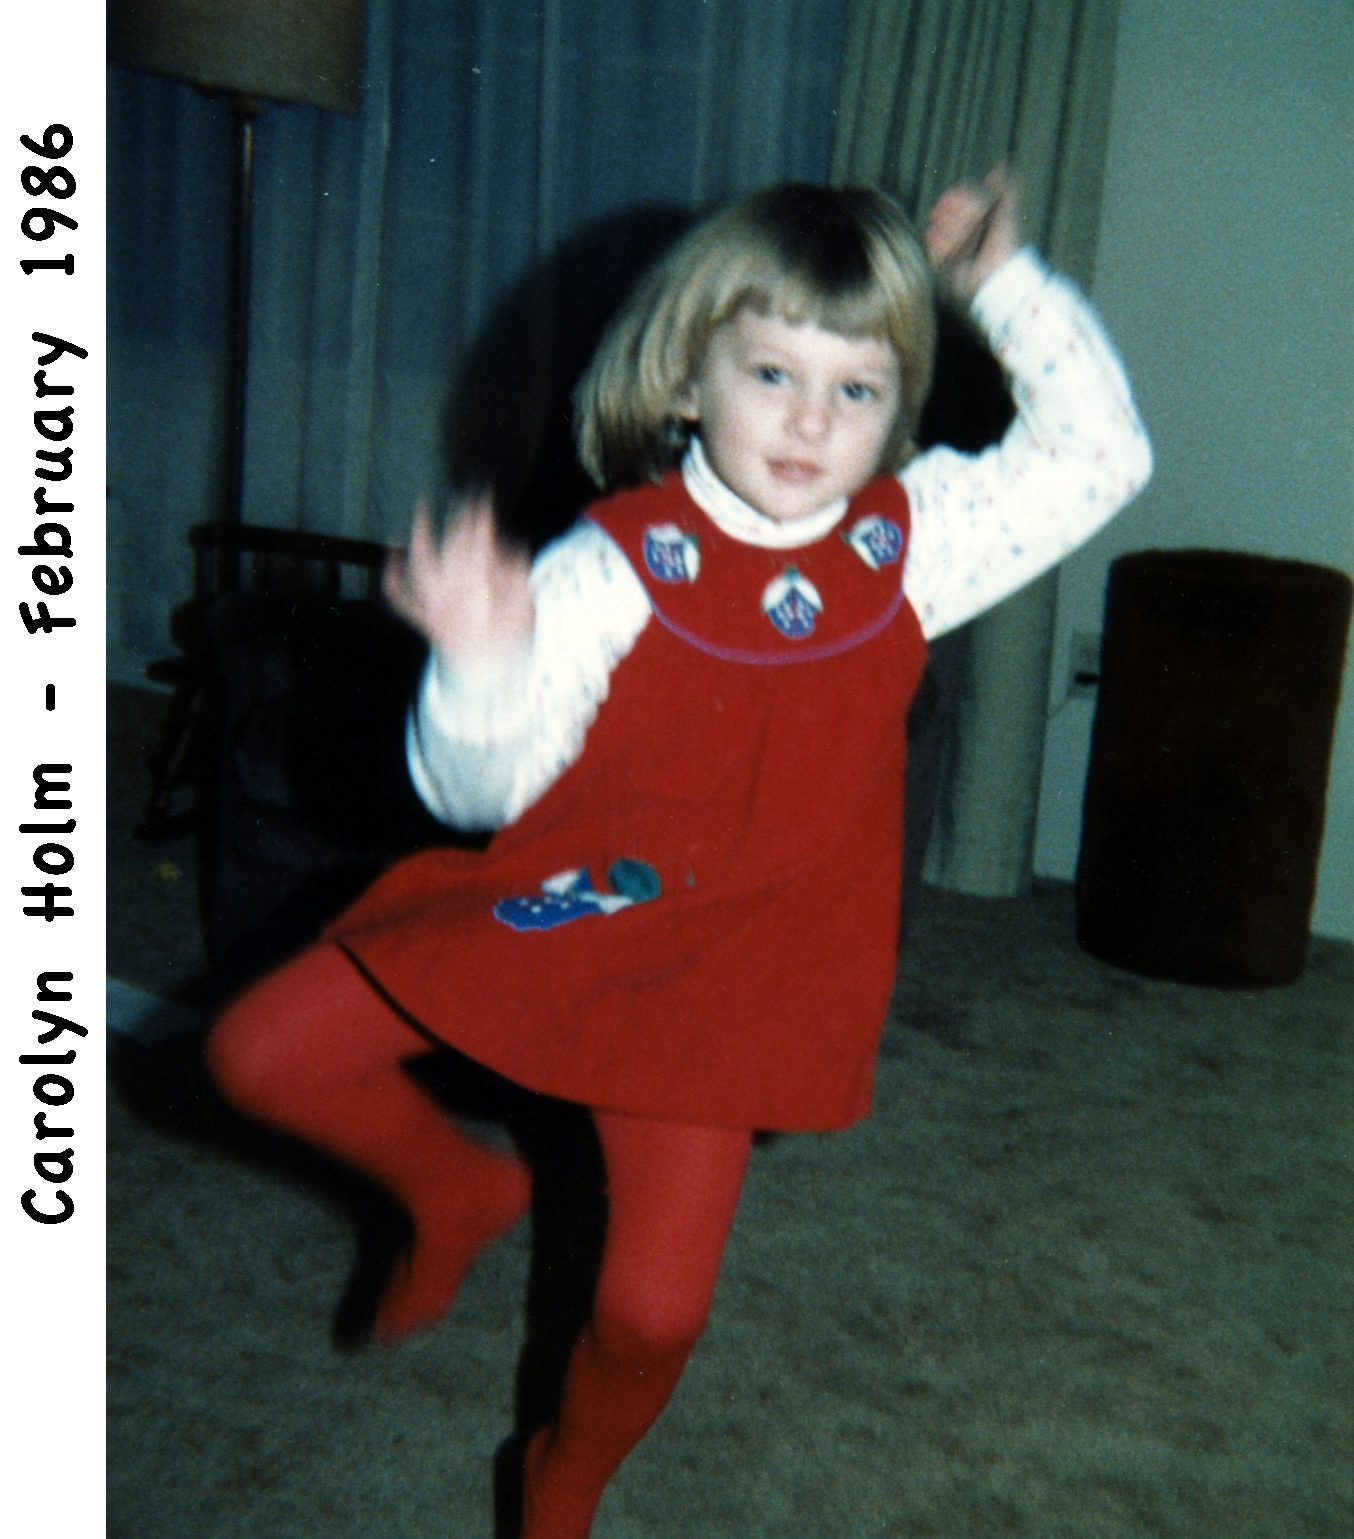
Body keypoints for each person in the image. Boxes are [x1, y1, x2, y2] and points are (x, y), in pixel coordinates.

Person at [206, 171, 1151, 1537]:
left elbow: (1099, 458)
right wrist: (477, 664)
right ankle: (455, 1186)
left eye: (856, 389)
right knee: (258, 1054)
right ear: (687, 371)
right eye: (770, 371)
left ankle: (561, 1478)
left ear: (895, 407)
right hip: (572, 903)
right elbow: (479, 790)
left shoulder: (917, 542)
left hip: (734, 971)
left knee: (650, 1316)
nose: (810, 422)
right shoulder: (609, 566)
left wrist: (1002, 283)